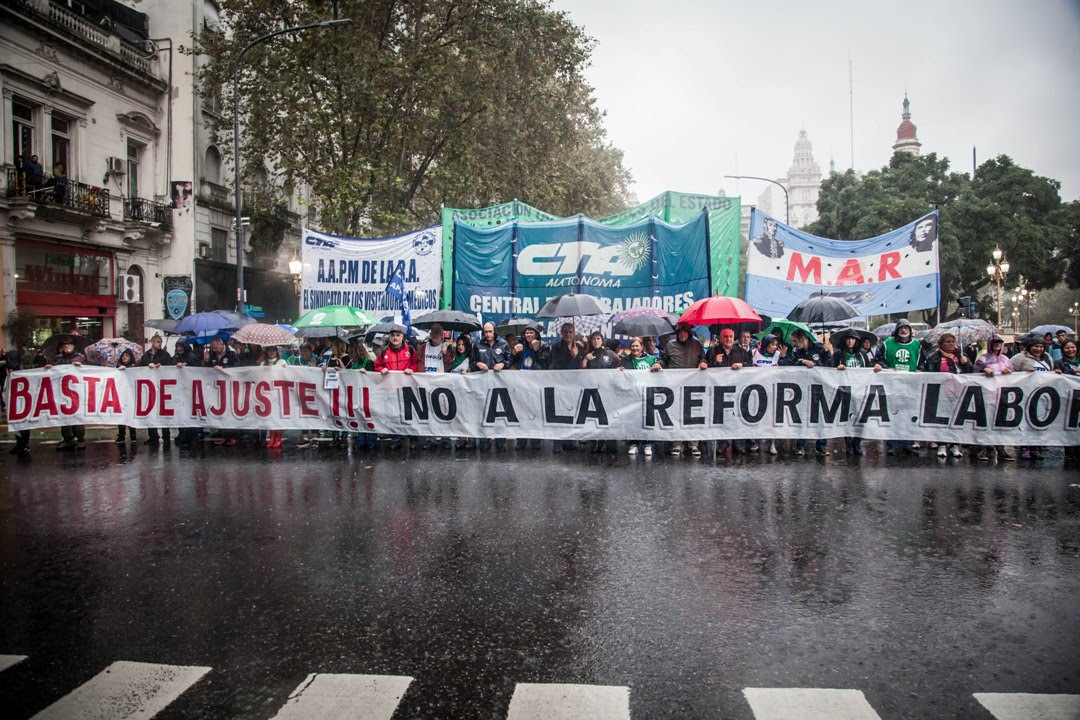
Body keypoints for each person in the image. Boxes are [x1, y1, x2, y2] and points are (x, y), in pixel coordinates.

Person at [874, 319, 922, 456]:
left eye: (907, 328)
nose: (904, 331)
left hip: (911, 384)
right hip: (892, 384)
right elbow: (878, 359)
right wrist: (887, 368)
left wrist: (921, 370)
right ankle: (893, 444)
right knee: (893, 413)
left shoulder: (917, 345)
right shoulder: (887, 344)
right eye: (901, 328)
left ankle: (908, 443)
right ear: (897, 330)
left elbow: (923, 362)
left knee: (909, 414)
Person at [920, 333, 970, 459]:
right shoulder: (933, 357)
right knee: (942, 419)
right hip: (941, 393)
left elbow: (970, 373)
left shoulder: (961, 356)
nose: (951, 344)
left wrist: (966, 363)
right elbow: (928, 373)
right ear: (941, 344)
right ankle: (942, 444)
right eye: (947, 341)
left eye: (953, 341)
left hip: (958, 392)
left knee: (956, 420)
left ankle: (954, 445)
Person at [661, 321, 708, 457]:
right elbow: (664, 359)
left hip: (693, 386)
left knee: (693, 416)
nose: (682, 334)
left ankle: (693, 444)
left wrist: (703, 362)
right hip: (674, 386)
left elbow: (704, 359)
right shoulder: (670, 345)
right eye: (680, 331)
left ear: (689, 333)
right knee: (676, 415)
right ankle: (677, 443)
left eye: (685, 331)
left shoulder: (697, 345)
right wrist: (659, 364)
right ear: (677, 333)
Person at [782, 328, 831, 456]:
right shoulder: (796, 352)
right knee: (803, 417)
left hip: (819, 388)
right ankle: (800, 445)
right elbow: (789, 365)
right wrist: (802, 361)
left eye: (795, 341)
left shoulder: (820, 348)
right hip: (803, 389)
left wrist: (828, 353)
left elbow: (830, 365)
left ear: (803, 339)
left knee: (821, 417)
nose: (794, 344)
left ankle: (821, 445)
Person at [1010, 335, 1053, 461]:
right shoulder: (1019, 358)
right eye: (1035, 346)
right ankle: (1024, 447)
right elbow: (1009, 373)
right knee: (1024, 422)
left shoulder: (1048, 358)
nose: (1038, 349)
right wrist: (1023, 374)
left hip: (1042, 396)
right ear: (1029, 347)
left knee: (1039, 421)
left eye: (1041, 346)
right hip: (1024, 396)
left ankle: (1036, 447)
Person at [375, 326, 418, 449]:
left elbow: (415, 364)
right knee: (393, 414)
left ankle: (412, 438)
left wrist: (412, 369)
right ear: (389, 337)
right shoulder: (384, 351)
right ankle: (396, 439)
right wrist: (380, 369)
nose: (395, 338)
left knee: (409, 414)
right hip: (391, 388)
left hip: (407, 387)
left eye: (398, 335)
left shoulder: (410, 350)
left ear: (402, 337)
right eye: (393, 335)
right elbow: (377, 365)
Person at [832, 330, 873, 457]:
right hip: (845, 390)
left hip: (859, 390)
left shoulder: (862, 355)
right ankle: (848, 443)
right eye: (848, 339)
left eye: (853, 339)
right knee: (846, 418)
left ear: (856, 341)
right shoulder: (839, 354)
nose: (850, 341)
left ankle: (857, 442)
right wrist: (837, 369)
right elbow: (829, 370)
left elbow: (869, 369)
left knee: (860, 418)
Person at [509, 323, 550, 450]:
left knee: (535, 413)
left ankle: (535, 440)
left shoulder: (544, 346)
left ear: (537, 334)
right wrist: (514, 352)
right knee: (522, 413)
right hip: (522, 385)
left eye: (531, 332)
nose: (528, 334)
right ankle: (521, 441)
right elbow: (511, 363)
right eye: (527, 332)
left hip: (536, 385)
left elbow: (547, 363)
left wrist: (538, 351)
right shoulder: (520, 347)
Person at [471, 322, 510, 450]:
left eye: (490, 331)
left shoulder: (503, 344)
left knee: (500, 413)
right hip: (483, 385)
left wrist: (503, 364)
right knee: (484, 413)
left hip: (500, 385)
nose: (487, 334)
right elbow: (471, 362)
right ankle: (484, 442)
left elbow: (510, 361)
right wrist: (478, 364)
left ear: (494, 332)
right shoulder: (477, 345)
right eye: (485, 332)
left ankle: (500, 442)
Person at [619, 337, 661, 457]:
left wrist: (657, 366)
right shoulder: (625, 360)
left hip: (647, 394)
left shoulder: (651, 359)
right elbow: (618, 375)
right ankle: (634, 443)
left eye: (637, 346)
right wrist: (619, 371)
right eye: (633, 346)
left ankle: (648, 444)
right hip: (632, 395)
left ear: (642, 347)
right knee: (633, 419)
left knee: (648, 419)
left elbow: (660, 374)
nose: (635, 348)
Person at [581, 331, 620, 453]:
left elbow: (619, 364)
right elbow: (580, 370)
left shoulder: (610, 354)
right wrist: (585, 360)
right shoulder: (588, 354)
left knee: (605, 417)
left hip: (607, 391)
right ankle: (594, 441)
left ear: (602, 340)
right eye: (593, 339)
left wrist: (619, 369)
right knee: (594, 418)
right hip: (592, 391)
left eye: (598, 338)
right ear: (591, 341)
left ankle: (604, 441)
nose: (596, 341)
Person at [548, 323, 585, 453]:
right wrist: (572, 356)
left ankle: (571, 440)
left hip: (575, 384)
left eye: (570, 332)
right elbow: (556, 364)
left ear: (574, 333)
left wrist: (578, 356)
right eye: (565, 332)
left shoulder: (580, 347)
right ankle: (558, 443)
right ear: (561, 333)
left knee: (572, 412)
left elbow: (582, 366)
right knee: (559, 414)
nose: (568, 334)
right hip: (560, 383)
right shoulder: (556, 347)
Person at [45, 337, 86, 451]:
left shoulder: (80, 358)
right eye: (64, 345)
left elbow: (89, 369)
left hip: (77, 391)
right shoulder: (57, 359)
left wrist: (81, 366)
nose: (67, 346)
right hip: (61, 391)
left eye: (69, 344)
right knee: (64, 416)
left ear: (73, 346)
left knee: (77, 416)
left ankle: (80, 439)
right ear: (61, 347)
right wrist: (49, 368)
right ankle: (68, 439)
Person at [137, 335, 173, 445]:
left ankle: (166, 436)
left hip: (162, 388)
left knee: (163, 412)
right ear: (152, 342)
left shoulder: (165, 355)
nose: (159, 344)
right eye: (157, 341)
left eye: (160, 342)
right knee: (151, 411)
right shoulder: (146, 356)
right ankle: (153, 436)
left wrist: (161, 367)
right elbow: (140, 368)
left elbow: (171, 367)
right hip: (150, 388)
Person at [204, 337, 240, 446]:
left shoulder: (231, 354)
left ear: (221, 344)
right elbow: (209, 368)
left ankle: (233, 436)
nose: (214, 350)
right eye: (213, 348)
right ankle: (223, 435)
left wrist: (223, 367)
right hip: (218, 387)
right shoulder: (213, 354)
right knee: (220, 411)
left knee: (230, 412)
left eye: (216, 347)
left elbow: (237, 368)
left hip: (230, 387)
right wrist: (206, 361)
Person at [752, 334, 782, 455]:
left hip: (772, 390)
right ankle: (756, 441)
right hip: (757, 390)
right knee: (757, 417)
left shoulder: (778, 355)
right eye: (772, 344)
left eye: (776, 344)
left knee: (771, 418)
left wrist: (784, 357)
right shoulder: (755, 353)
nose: (774, 347)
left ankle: (772, 443)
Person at [1055, 339, 1080, 465]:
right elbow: (1058, 378)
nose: (1070, 350)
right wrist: (1073, 371)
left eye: (1072, 347)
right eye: (1067, 348)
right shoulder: (1059, 363)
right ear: (1063, 350)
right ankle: (1070, 452)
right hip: (1068, 399)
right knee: (1069, 425)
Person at [259, 346, 288, 448]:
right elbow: (258, 376)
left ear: (276, 351)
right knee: (270, 416)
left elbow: (287, 374)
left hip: (279, 393)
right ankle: (271, 437)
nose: (271, 352)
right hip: (267, 393)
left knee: (278, 416)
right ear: (266, 352)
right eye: (269, 350)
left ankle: (278, 437)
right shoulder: (263, 363)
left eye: (273, 350)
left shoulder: (282, 362)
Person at [5, 350, 31, 456]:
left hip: (20, 400)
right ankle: (20, 444)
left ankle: (24, 444)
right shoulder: (14, 368)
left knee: (22, 423)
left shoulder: (19, 369)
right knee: (17, 423)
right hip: (15, 399)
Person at [113, 349, 139, 444]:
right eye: (123, 355)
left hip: (131, 394)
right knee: (121, 415)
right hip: (121, 394)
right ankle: (121, 435)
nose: (124, 357)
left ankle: (133, 435)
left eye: (127, 355)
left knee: (131, 415)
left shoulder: (135, 367)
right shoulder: (118, 367)